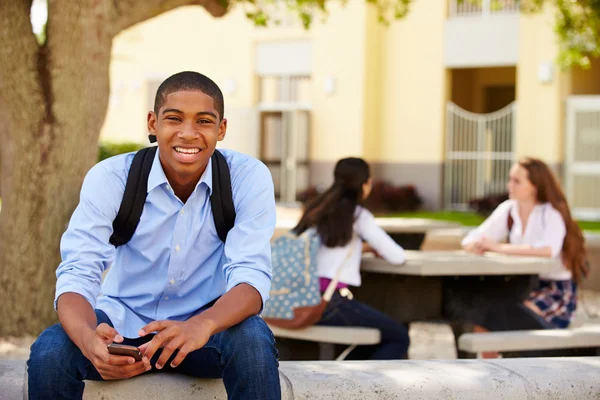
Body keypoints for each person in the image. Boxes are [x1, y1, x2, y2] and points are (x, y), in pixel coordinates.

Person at [27, 71, 281, 400]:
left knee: (253, 340)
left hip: (206, 334)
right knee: (49, 353)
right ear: (152, 123)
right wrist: (90, 339)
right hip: (121, 328)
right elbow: (79, 271)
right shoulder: (111, 178)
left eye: (204, 121)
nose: (188, 134)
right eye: (174, 119)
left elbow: (252, 277)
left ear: (221, 129)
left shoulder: (247, 178)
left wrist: (201, 325)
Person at [292, 157, 410, 360]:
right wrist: (370, 247)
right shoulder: (357, 215)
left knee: (379, 334)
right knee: (398, 337)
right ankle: (360, 386)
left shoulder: (316, 209)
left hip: (296, 298)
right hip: (329, 302)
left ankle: (345, 378)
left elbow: (327, 244)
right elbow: (397, 256)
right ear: (364, 184)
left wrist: (361, 247)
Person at [461, 157, 587, 333]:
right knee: (483, 315)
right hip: (521, 285)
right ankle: (489, 361)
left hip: (553, 289)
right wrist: (475, 244)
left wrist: (498, 248)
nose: (509, 185)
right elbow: (471, 238)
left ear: (535, 186)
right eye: (510, 179)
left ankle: (512, 357)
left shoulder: (551, 213)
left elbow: (548, 250)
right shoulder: (509, 209)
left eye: (517, 181)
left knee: (507, 317)